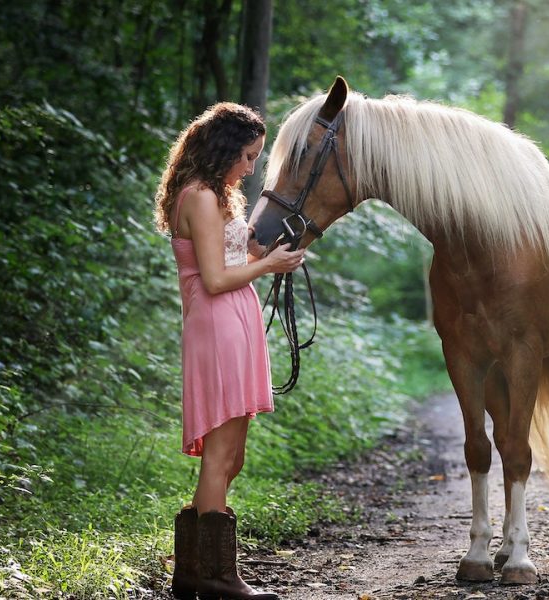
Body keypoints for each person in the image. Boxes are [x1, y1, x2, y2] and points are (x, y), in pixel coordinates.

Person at [154, 102, 302, 600]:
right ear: (223, 150)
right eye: (247, 155)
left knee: (231, 456)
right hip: (218, 323)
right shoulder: (196, 196)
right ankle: (216, 577)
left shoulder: (221, 195)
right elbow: (215, 279)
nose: (251, 167)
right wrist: (268, 268)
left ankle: (195, 570)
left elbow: (236, 254)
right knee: (219, 456)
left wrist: (273, 254)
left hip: (235, 321)